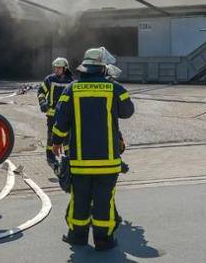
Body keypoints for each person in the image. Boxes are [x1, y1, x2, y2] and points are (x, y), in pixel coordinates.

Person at [52, 47, 134, 251]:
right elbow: (128, 112)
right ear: (102, 68)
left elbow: (61, 120)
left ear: (84, 68)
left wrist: (56, 141)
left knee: (79, 199)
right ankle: (102, 240)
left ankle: (77, 236)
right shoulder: (115, 89)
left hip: (79, 161)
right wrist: (115, 88)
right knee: (103, 202)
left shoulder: (71, 89)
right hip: (108, 162)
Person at [37, 57, 74, 171]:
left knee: (68, 136)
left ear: (65, 68)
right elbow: (41, 91)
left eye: (59, 68)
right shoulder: (50, 79)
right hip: (52, 114)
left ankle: (69, 156)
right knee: (51, 136)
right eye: (56, 68)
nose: (57, 70)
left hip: (67, 114)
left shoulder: (71, 81)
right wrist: (43, 102)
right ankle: (50, 156)